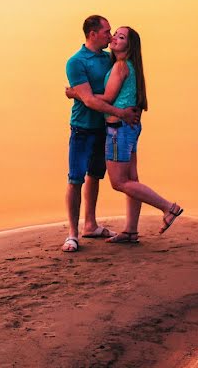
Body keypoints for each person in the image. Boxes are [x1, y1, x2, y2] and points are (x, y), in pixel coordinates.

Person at [69, 26, 182, 244]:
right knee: (131, 178)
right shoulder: (126, 65)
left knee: (119, 182)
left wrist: (77, 93)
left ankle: (169, 208)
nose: (114, 38)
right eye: (113, 34)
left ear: (129, 46)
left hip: (118, 128)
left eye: (120, 37)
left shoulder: (120, 66)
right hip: (129, 128)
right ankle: (131, 231)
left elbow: (109, 97)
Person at [62, 16, 141, 253]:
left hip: (105, 129)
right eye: (107, 32)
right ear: (93, 33)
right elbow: (89, 100)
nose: (110, 36)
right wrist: (121, 112)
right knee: (75, 178)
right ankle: (72, 234)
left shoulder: (109, 59)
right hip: (83, 127)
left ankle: (90, 225)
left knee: (95, 175)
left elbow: (120, 86)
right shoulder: (76, 62)